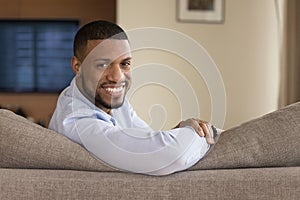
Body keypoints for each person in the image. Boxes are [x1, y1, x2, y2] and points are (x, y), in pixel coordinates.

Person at [49, 20, 222, 175]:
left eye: (124, 64)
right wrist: (200, 135)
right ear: (77, 66)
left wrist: (179, 129)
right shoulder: (76, 122)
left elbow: (147, 138)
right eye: (102, 65)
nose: (117, 77)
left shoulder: (109, 101)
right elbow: (169, 156)